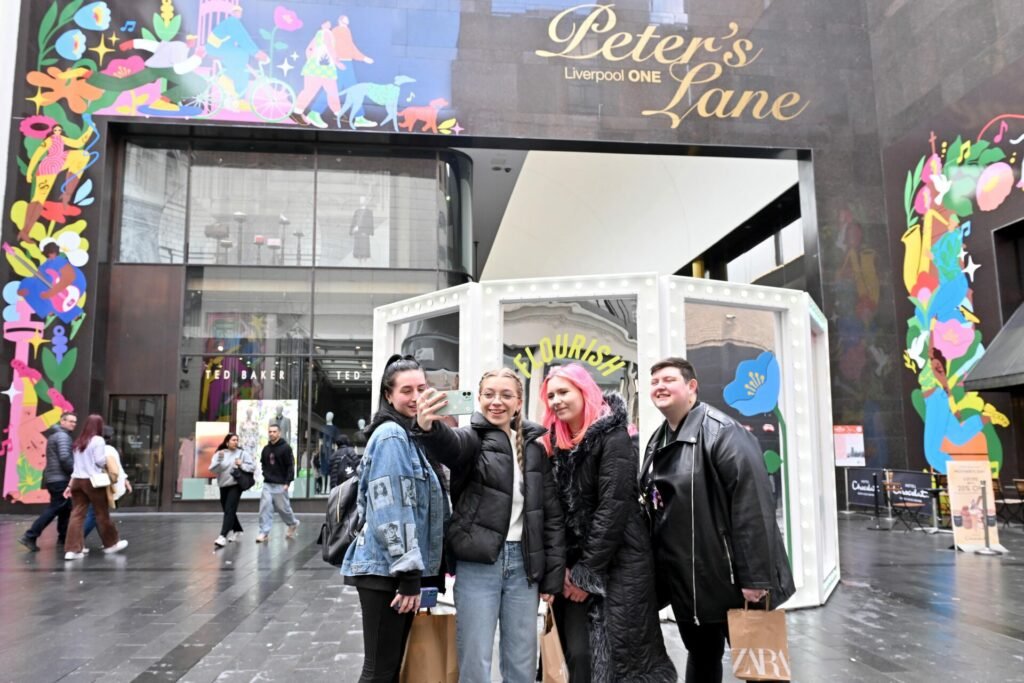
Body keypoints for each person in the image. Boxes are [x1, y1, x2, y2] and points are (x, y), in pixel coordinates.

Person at [641, 357, 795, 683]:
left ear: (692, 387)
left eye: (668, 380)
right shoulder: (657, 441)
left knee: (759, 667)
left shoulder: (724, 433)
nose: (660, 387)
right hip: (690, 584)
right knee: (701, 657)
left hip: (733, 581)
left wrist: (755, 578)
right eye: (654, 382)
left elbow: (753, 506)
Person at [413, 368, 565, 683]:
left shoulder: (535, 447)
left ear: (519, 402)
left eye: (506, 395)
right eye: (489, 394)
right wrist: (428, 427)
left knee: (521, 661)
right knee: (474, 660)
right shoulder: (472, 438)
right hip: (478, 565)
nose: (497, 402)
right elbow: (449, 445)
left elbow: (549, 515)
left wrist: (551, 577)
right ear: (479, 398)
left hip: (524, 568)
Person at [542, 363, 675, 682]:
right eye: (551, 395)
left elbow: (612, 508)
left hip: (619, 565)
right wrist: (561, 567)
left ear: (584, 391)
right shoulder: (556, 442)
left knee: (619, 661)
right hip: (573, 568)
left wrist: (587, 573)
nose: (557, 400)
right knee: (577, 654)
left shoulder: (613, 437)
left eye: (564, 392)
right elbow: (554, 512)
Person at [341, 355, 450, 683]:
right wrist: (408, 577)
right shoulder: (392, 436)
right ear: (389, 395)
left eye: (421, 388)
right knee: (380, 672)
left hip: (391, 571)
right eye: (406, 390)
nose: (416, 397)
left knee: (389, 670)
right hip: (386, 574)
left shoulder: (411, 434)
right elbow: (393, 511)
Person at [63, 414, 128, 560]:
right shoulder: (98, 440)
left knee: (77, 515)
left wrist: (69, 485)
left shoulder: (78, 442)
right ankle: (111, 544)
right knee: (101, 513)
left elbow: (75, 467)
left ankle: (72, 550)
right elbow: (99, 461)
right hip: (93, 481)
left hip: (78, 481)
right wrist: (108, 463)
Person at [19, 124, 93, 242]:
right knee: (38, 201)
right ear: (52, 131)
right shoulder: (49, 140)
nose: (57, 132)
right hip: (48, 168)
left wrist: (90, 129)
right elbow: (37, 155)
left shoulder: (62, 139)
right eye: (55, 130)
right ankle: (25, 231)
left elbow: (78, 143)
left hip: (59, 162)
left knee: (82, 155)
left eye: (59, 130)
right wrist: (29, 172)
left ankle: (68, 192)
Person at [18, 412, 77, 551]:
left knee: (65, 508)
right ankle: (30, 535)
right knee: (56, 507)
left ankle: (63, 538)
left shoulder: (55, 436)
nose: (73, 424)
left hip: (54, 478)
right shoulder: (63, 437)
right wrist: (74, 472)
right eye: (70, 421)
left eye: (75, 422)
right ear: (62, 421)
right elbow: (64, 458)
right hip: (60, 479)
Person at [83, 425, 132, 543]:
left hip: (88, 483)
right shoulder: (108, 450)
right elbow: (116, 470)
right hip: (102, 484)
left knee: (99, 514)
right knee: (95, 514)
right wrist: (121, 481)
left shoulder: (87, 448)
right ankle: (75, 541)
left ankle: (111, 542)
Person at [209, 432, 255, 547]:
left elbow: (252, 467)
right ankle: (238, 530)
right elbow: (213, 470)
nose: (236, 442)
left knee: (229, 509)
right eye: (233, 440)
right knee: (228, 510)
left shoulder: (242, 454)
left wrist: (241, 464)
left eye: (237, 440)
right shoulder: (220, 454)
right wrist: (219, 460)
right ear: (227, 442)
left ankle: (222, 536)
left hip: (235, 485)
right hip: (223, 485)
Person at [256, 423, 299, 543]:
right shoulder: (266, 449)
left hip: (281, 484)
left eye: (274, 431)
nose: (271, 434)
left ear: (279, 433)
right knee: (265, 508)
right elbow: (263, 464)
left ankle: (293, 523)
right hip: (268, 484)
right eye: (270, 432)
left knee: (283, 509)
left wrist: (287, 482)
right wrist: (265, 475)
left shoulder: (286, 448)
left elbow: (290, 466)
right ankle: (264, 532)